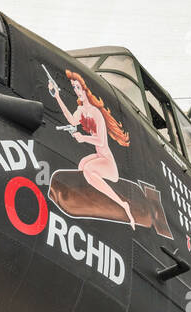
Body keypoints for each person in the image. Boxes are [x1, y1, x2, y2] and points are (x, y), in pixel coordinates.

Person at [50, 69, 135, 228]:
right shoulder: (81, 110)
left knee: (88, 169)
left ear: (85, 89)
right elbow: (72, 120)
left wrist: (83, 138)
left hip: (107, 160)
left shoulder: (95, 112)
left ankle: (122, 204)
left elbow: (102, 142)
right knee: (82, 165)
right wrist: (57, 97)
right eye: (74, 88)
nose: (77, 92)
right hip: (99, 156)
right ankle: (93, 194)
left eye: (78, 88)